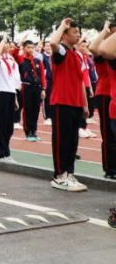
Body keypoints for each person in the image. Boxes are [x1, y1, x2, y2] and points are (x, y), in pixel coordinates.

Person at [48, 18, 88, 192]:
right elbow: (52, 43)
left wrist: (85, 105)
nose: (78, 35)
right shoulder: (62, 51)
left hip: (76, 102)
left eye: (79, 32)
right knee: (61, 140)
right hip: (62, 101)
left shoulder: (77, 54)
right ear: (64, 34)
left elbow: (80, 82)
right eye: (75, 32)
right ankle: (59, 176)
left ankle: (69, 173)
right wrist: (63, 25)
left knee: (72, 142)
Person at [89, 21, 116, 179]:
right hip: (105, 94)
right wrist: (105, 32)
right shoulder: (105, 54)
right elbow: (94, 48)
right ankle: (110, 168)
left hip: (110, 95)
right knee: (109, 135)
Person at [0, 36, 18, 162]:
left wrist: (15, 97)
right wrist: (1, 43)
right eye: (4, 43)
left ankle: (6, 151)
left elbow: (12, 79)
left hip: (10, 93)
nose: (7, 46)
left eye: (8, 43)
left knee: (8, 126)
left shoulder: (10, 58)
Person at [19, 39, 46, 142]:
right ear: (24, 48)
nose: (31, 49)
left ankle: (34, 131)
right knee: (28, 110)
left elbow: (42, 75)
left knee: (36, 110)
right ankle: (28, 132)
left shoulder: (38, 61)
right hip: (26, 86)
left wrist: (43, 88)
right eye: (28, 47)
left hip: (37, 87)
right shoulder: (21, 60)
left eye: (32, 47)